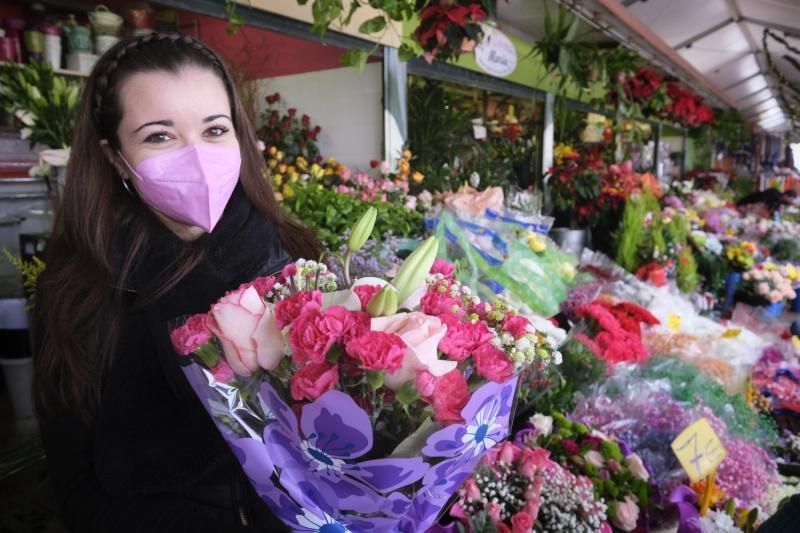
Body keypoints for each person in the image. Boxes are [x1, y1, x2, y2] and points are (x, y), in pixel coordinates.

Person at [32, 33, 320, 532]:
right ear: (116, 156)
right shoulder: (78, 291)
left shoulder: (293, 257)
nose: (198, 156)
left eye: (214, 129)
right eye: (159, 136)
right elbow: (76, 482)